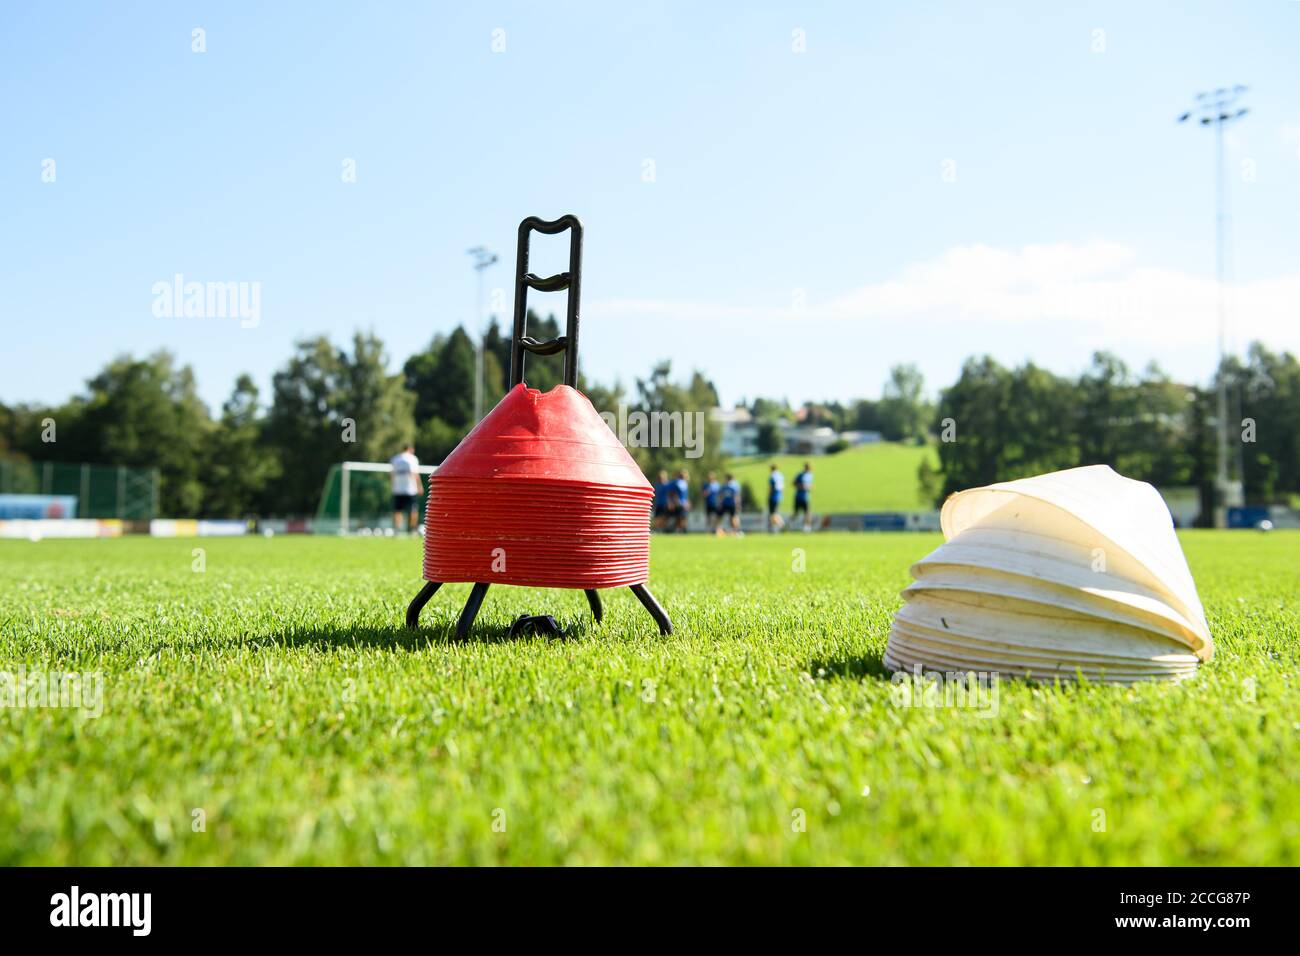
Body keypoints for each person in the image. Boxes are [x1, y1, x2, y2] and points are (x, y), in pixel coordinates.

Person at [389, 444, 422, 534]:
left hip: (398, 489)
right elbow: (415, 474)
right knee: (414, 510)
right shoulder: (412, 458)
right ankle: (412, 529)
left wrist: (392, 486)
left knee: (397, 510)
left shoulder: (395, 459)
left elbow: (392, 474)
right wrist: (419, 486)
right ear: (410, 449)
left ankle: (397, 529)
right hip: (410, 489)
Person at [793, 461, 813, 532]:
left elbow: (810, 485)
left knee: (807, 513)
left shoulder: (810, 475)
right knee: (796, 513)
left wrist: (809, 487)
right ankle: (789, 525)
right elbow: (793, 483)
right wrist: (800, 486)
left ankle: (807, 527)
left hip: (806, 497)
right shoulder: (800, 475)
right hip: (798, 496)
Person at [767, 463, 785, 532]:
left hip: (773, 496)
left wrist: (769, 495)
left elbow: (771, 487)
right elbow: (782, 487)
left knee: (773, 513)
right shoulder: (780, 475)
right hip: (779, 496)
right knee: (775, 512)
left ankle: (780, 525)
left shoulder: (772, 476)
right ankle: (777, 526)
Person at [673, 469, 691, 533]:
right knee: (679, 517)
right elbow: (675, 493)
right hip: (679, 503)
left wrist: (687, 502)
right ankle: (678, 529)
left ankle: (682, 529)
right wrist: (676, 501)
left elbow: (686, 494)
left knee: (684, 516)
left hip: (684, 503)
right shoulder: (678, 482)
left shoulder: (685, 483)